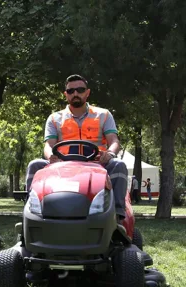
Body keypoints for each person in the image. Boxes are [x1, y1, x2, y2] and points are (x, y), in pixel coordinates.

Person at [25, 74, 129, 222]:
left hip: (97, 163)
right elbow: (49, 145)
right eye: (71, 91)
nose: (75, 94)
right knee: (35, 165)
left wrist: (111, 153)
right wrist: (50, 157)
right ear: (65, 94)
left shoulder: (103, 114)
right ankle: (32, 213)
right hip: (63, 165)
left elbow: (114, 141)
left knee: (118, 165)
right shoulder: (55, 118)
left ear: (87, 92)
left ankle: (118, 216)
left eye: (80, 90)